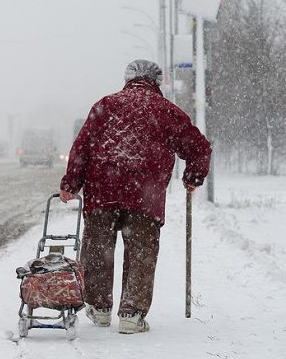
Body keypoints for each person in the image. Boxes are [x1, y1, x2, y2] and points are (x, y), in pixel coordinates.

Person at [59, 59, 211, 334]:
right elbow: (199, 147)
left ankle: (99, 308)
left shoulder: (105, 105)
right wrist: (193, 177)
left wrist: (71, 183)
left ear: (127, 79)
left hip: (102, 190)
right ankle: (132, 313)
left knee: (98, 249)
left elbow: (82, 147)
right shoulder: (166, 111)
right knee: (142, 251)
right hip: (145, 194)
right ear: (157, 81)